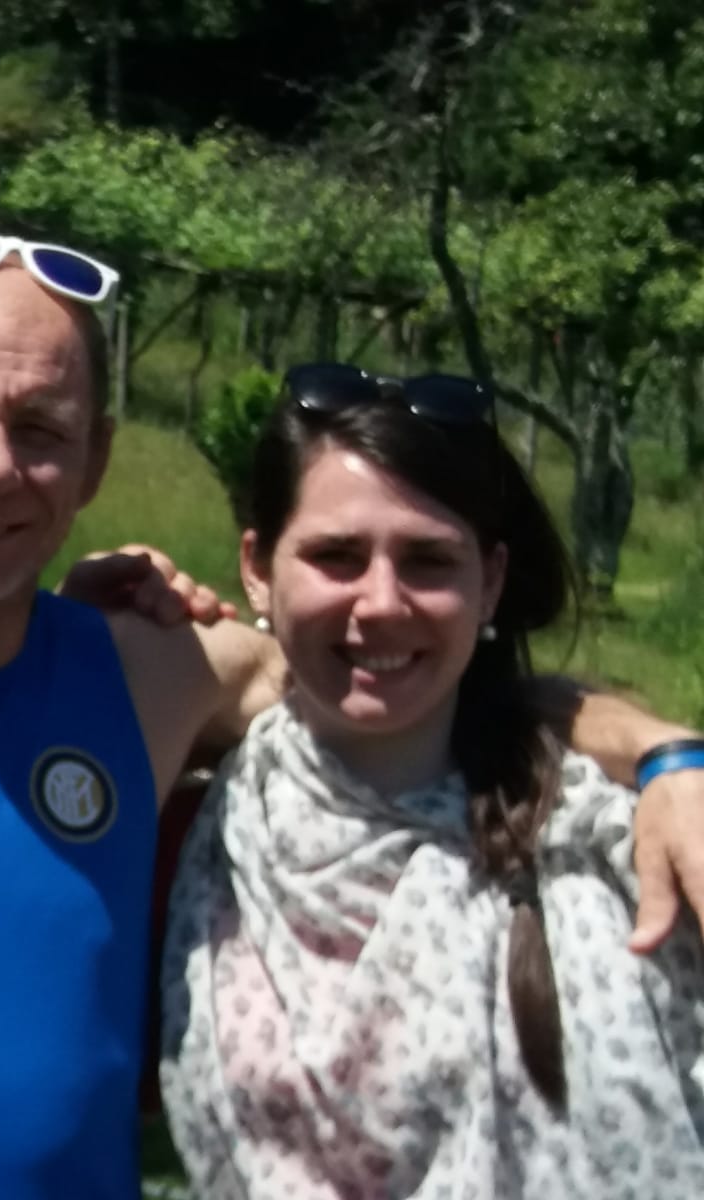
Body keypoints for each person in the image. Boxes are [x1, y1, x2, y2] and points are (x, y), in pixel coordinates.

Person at [0, 230, 704, 1199]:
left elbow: (425, 678)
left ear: (96, 460)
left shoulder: (152, 672)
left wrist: (662, 757)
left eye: (40, 429)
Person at [158, 364, 704, 1198]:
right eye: (337, 555)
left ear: (489, 580)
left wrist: (668, 754)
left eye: (427, 561)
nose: (380, 602)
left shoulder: (630, 843)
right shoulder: (186, 811)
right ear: (258, 568)